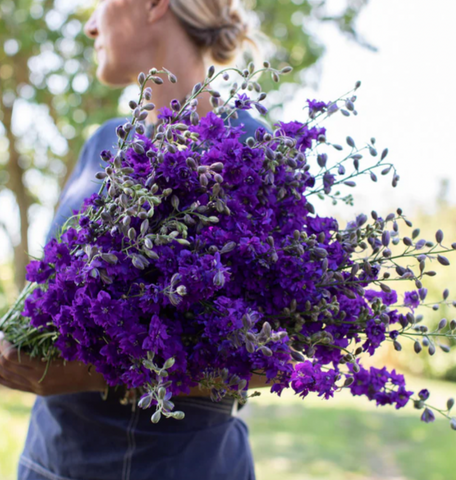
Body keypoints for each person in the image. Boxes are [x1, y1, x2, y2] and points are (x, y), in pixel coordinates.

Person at [0, 1, 271, 479]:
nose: (87, 25)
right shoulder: (101, 144)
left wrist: (95, 373)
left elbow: (269, 364)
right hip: (50, 463)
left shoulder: (249, 149)